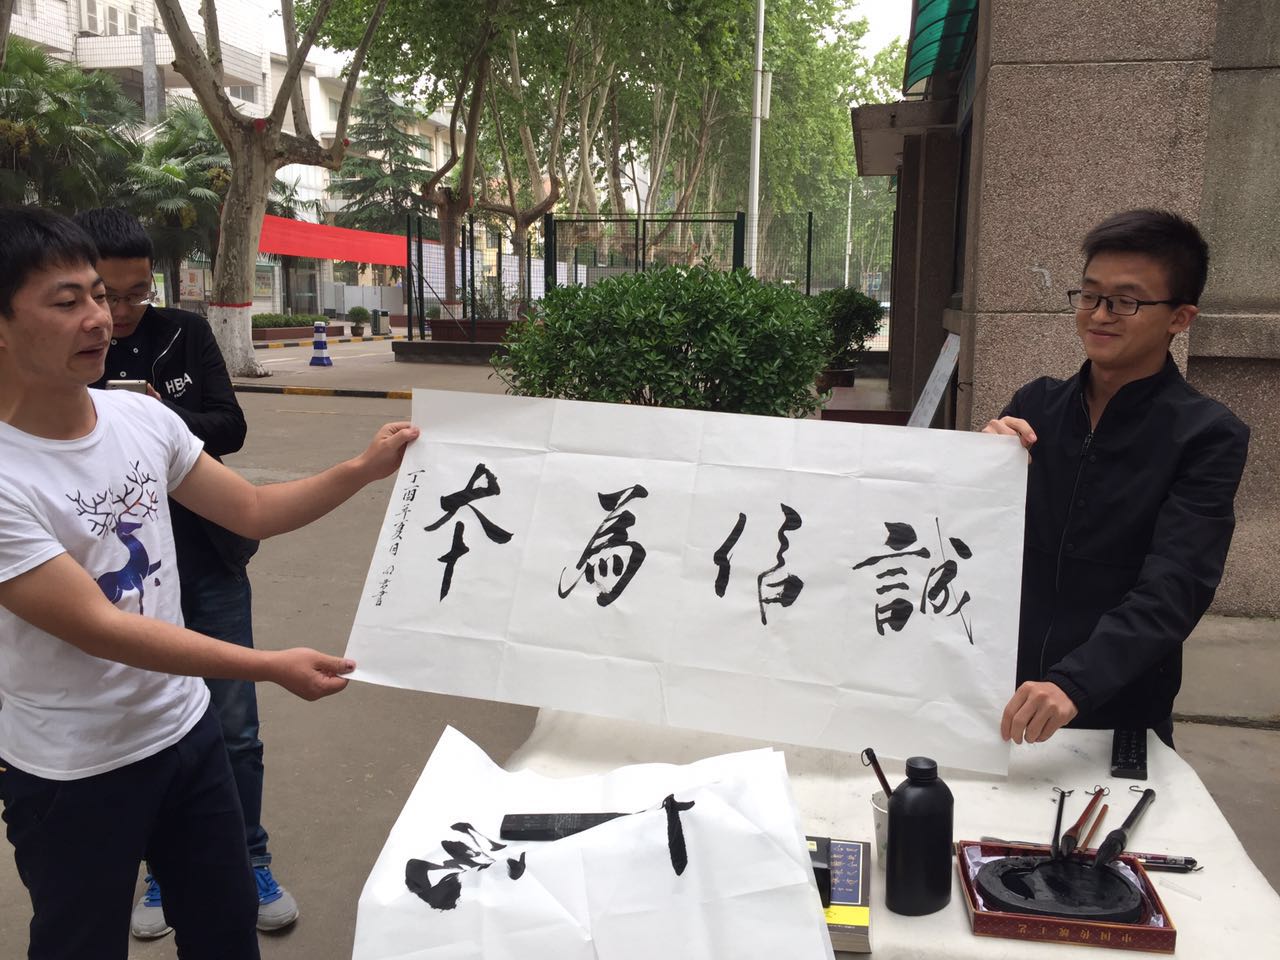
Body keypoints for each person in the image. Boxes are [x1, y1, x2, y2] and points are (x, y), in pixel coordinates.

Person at [0, 206, 419, 960]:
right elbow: (101, 628)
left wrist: (362, 470)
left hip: (187, 737)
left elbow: (251, 509)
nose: (99, 318)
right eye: (67, 302)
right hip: (74, 771)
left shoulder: (140, 419)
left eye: (99, 294)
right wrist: (268, 666)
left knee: (225, 934)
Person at [72, 208, 293, 938]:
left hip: (203, 557)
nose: (119, 313)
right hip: (123, 577)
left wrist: (159, 414)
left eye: (137, 293)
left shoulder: (184, 334)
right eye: (105, 294)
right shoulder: (70, 351)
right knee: (147, 730)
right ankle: (164, 871)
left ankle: (249, 857)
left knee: (234, 728)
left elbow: (230, 426)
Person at [985, 209, 1249, 748]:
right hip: (1000, 697)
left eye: (1126, 301)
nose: (1099, 315)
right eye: (1089, 295)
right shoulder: (1034, 407)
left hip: (1115, 711)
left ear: (1180, 318)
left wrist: (1074, 682)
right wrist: (976, 469)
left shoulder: (1206, 435)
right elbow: (973, 544)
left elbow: (1176, 586)